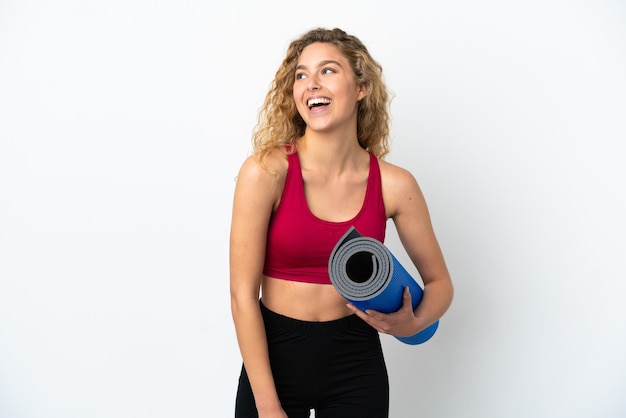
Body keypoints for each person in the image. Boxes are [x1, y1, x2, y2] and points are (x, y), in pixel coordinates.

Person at [229, 27, 453, 418]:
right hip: (274, 355)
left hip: (355, 357)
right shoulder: (265, 172)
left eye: (327, 71)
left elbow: (440, 285)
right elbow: (242, 297)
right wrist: (267, 406)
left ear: (361, 87)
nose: (311, 83)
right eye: (301, 75)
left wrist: (411, 322)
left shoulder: (396, 185)